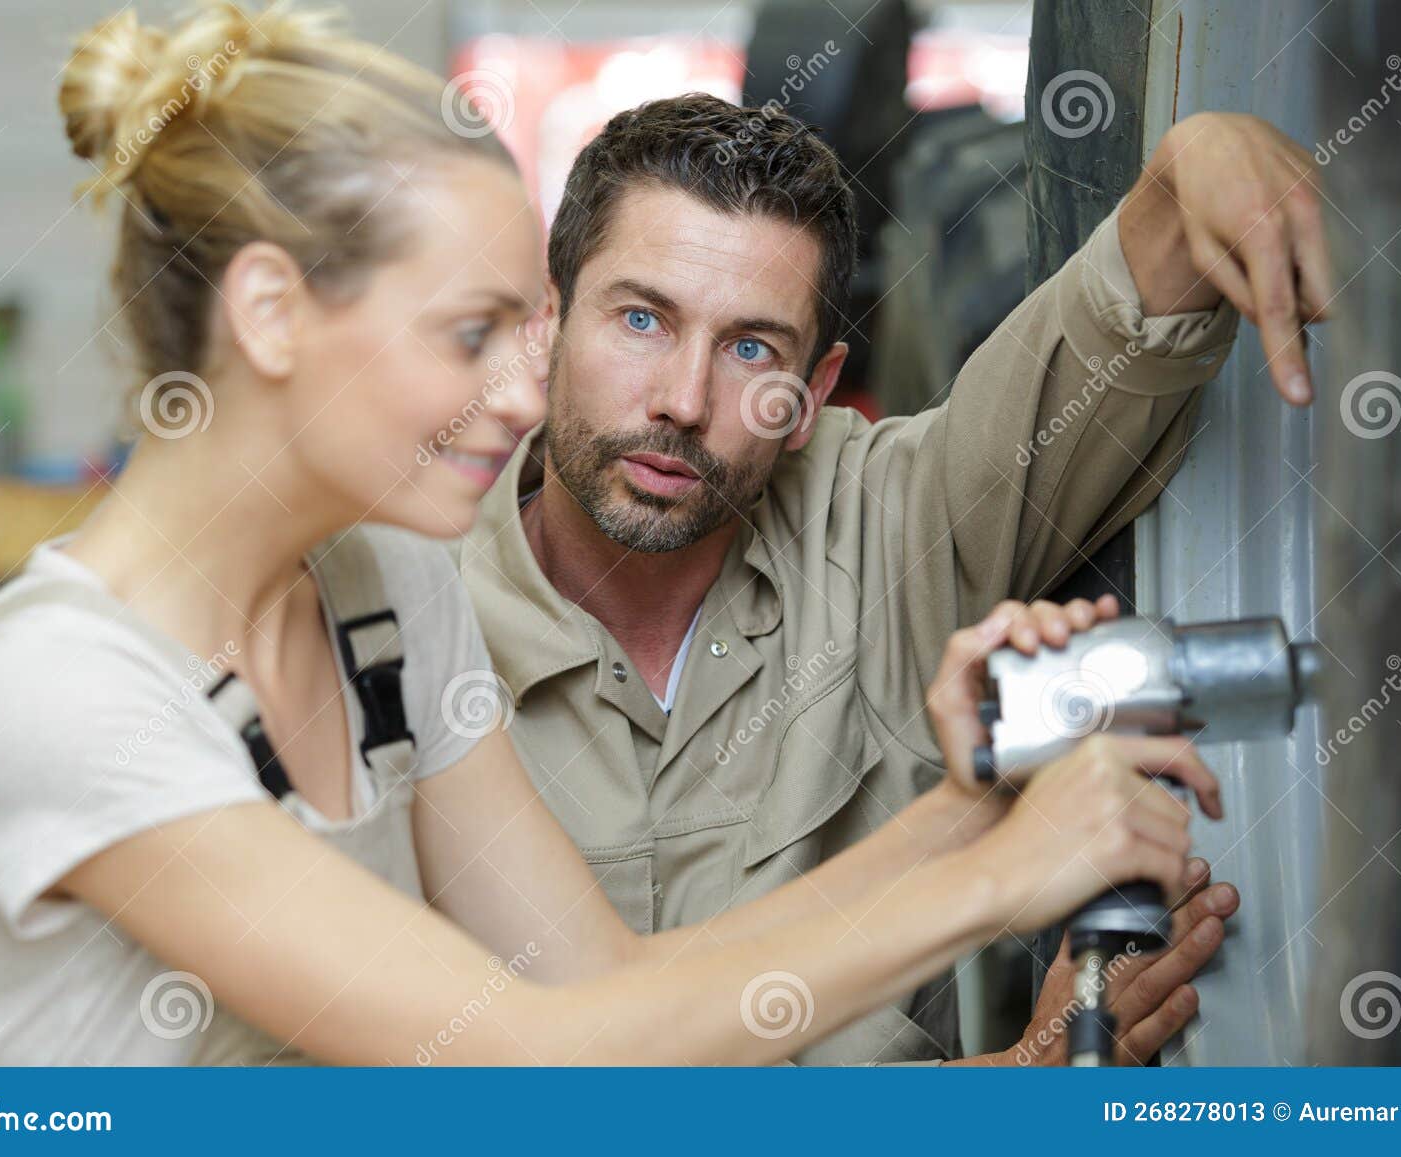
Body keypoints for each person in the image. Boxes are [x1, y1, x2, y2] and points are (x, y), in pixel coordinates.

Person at [0, 1, 1215, 1067]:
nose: (521, 396)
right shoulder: (50, 697)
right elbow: (535, 1053)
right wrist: (992, 875)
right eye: (472, 334)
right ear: (271, 314)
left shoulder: (384, 591)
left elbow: (608, 993)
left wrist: (959, 813)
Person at [453, 94, 1329, 1063]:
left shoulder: (883, 521)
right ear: (548, 322)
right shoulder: (403, 648)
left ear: (812, 390)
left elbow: (1119, 321)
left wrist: (1197, 156)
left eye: (751, 348)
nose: (683, 401)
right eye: (641, 318)